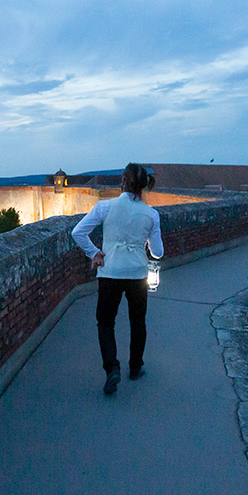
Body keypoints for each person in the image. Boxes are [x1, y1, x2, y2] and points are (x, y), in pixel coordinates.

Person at [71, 163, 164, 394]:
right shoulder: (151, 214)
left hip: (110, 272)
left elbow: (77, 232)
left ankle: (112, 368)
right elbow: (158, 252)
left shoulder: (105, 207)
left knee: (105, 322)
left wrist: (94, 253)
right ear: (144, 186)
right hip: (137, 274)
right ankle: (135, 367)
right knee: (138, 322)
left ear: (122, 180)